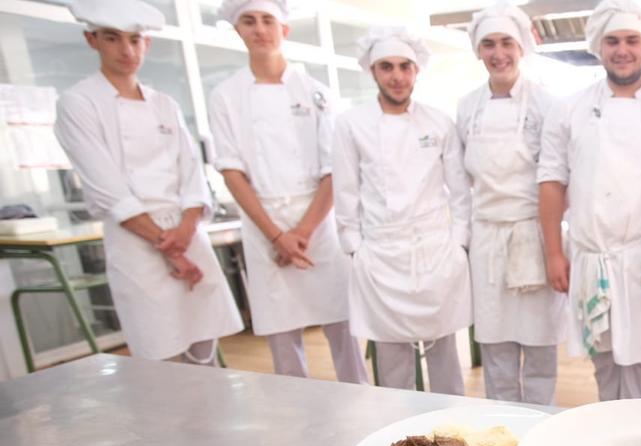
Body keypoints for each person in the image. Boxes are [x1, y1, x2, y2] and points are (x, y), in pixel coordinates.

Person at [54, 0, 243, 365]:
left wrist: (186, 232)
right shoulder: (78, 104)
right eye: (113, 39)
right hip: (136, 243)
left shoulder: (164, 104)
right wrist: (170, 249)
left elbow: (191, 174)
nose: (127, 51)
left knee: (205, 348)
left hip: (187, 236)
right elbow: (108, 188)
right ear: (92, 41)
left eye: (135, 40)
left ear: (147, 44)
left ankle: (214, 419)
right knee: (160, 353)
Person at [538, 0, 641, 401]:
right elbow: (552, 182)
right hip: (591, 257)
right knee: (604, 370)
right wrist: (555, 252)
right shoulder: (568, 109)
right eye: (612, 41)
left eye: (631, 40)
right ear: (598, 46)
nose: (622, 50)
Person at [208, 0, 368, 383]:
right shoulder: (226, 96)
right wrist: (277, 235)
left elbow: (335, 169)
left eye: (268, 20)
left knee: (343, 328)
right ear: (238, 30)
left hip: (318, 224)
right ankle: (296, 418)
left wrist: (302, 232)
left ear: (285, 30)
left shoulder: (316, 92)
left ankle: (363, 404)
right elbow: (231, 171)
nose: (260, 29)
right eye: (249, 21)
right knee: (282, 335)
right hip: (264, 226)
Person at [333, 27, 472, 394]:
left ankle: (452, 433)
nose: (397, 76)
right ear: (373, 71)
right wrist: (355, 248)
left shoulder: (438, 122)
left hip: (435, 253)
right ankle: (395, 435)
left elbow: (460, 192)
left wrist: (458, 246)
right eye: (387, 67)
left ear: (416, 71)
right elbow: (345, 192)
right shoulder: (351, 125)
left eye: (405, 67)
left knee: (445, 356)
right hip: (380, 256)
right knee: (392, 362)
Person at [457, 2, 567, 405]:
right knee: (497, 349)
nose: (498, 53)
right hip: (487, 238)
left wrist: (555, 248)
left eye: (506, 42)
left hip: (533, 235)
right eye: (489, 44)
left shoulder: (546, 103)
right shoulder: (467, 106)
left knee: (539, 348)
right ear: (478, 50)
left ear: (522, 47)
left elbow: (558, 178)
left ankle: (541, 431)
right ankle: (500, 432)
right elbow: (461, 179)